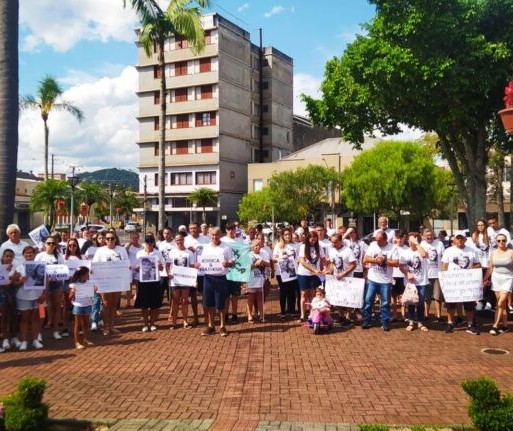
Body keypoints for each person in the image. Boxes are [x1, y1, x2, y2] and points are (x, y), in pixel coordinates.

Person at [441, 232, 481, 335]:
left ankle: (470, 324)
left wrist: (472, 268)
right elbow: (444, 266)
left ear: (465, 239)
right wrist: (444, 280)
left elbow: (478, 264)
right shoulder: (448, 251)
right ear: (454, 239)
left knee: (469, 304)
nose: (459, 240)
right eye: (457, 238)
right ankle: (450, 323)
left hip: (467, 283)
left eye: (461, 238)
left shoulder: (471, 251)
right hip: (453, 282)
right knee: (451, 304)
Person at [199, 226, 234, 337]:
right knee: (209, 303)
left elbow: (233, 261)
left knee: (221, 303)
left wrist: (228, 264)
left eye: (217, 234)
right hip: (208, 278)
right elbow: (202, 262)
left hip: (220, 278)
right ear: (210, 235)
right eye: (213, 235)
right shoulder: (206, 247)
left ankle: (222, 326)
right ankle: (211, 325)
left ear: (220, 235)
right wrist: (198, 265)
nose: (215, 237)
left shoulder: (226, 248)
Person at [92, 232, 129, 336]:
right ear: (105, 240)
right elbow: (95, 266)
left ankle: (112, 326)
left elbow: (126, 263)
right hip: (105, 282)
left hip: (117, 281)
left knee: (113, 305)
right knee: (106, 304)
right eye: (107, 239)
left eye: (112, 238)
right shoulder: (100, 251)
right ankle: (105, 326)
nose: (109, 240)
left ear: (115, 239)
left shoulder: (121, 250)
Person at [362, 231, 399, 331]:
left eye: (380, 240)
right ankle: (366, 320)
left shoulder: (393, 248)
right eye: (376, 240)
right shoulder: (373, 245)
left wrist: (385, 261)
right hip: (372, 278)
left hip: (385, 280)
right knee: (368, 300)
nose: (377, 242)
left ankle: (385, 322)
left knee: (385, 302)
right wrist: (375, 260)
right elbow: (366, 258)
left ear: (385, 239)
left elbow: (396, 263)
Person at [35, 235, 66, 341]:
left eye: (53, 243)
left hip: (56, 285)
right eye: (49, 243)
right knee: (42, 308)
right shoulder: (40, 256)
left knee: (57, 307)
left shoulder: (59, 256)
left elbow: (63, 270)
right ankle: (38, 333)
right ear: (45, 244)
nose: (51, 245)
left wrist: (58, 277)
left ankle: (56, 331)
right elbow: (35, 270)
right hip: (43, 286)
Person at [15, 246, 45, 351]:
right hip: (23, 297)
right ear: (23, 255)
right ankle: (23, 341)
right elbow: (14, 283)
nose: (28, 255)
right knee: (24, 319)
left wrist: (43, 294)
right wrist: (20, 281)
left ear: (34, 254)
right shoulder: (19, 267)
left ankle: (35, 340)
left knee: (36, 318)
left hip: (38, 296)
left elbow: (46, 281)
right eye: (26, 253)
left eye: (31, 253)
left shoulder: (41, 266)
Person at [483, 234, 513, 335]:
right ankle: (505, 326)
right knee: (501, 305)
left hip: (508, 279)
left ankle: (495, 325)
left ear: (506, 241)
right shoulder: (493, 253)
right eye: (499, 241)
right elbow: (490, 268)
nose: (501, 242)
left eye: (503, 240)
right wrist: (485, 279)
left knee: (500, 303)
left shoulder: (511, 252)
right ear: (496, 242)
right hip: (496, 279)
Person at [400, 232, 429, 332]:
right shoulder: (405, 252)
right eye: (410, 240)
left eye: (414, 240)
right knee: (411, 302)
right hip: (410, 282)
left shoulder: (421, 249)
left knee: (420, 302)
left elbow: (424, 255)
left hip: (422, 281)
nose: (411, 242)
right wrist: (407, 273)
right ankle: (411, 321)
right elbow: (401, 266)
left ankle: (420, 322)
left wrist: (416, 243)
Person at [135, 235, 165, 332]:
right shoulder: (139, 253)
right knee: (144, 304)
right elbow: (136, 266)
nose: (149, 244)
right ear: (145, 243)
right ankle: (145, 324)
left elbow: (162, 267)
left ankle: (152, 323)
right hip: (143, 282)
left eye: (151, 242)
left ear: (153, 243)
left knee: (153, 304)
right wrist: (137, 268)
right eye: (147, 242)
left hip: (154, 281)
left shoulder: (158, 254)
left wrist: (160, 266)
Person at [327, 233, 356, 327]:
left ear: (341, 241)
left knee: (348, 299)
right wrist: (329, 271)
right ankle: (341, 316)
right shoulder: (331, 250)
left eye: (335, 242)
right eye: (332, 242)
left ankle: (348, 317)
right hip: (336, 279)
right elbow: (332, 263)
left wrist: (343, 273)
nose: (333, 244)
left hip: (347, 279)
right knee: (336, 299)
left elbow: (353, 265)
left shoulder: (348, 251)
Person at [184, 222, 210, 325]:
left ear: (199, 229)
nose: (193, 230)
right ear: (189, 230)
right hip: (191, 272)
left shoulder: (206, 239)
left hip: (203, 272)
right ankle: (195, 318)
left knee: (205, 295)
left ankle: (206, 317)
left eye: (195, 228)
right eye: (191, 228)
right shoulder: (186, 240)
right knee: (193, 296)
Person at [297, 230, 326, 322]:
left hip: (315, 275)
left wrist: (325, 269)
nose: (312, 240)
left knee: (313, 295)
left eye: (314, 239)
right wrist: (314, 269)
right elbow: (302, 261)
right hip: (303, 273)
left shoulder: (319, 247)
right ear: (308, 238)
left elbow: (323, 259)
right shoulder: (303, 247)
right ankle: (302, 315)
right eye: (311, 238)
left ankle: (311, 313)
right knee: (304, 294)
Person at [168, 234, 195, 329]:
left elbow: (192, 266)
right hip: (175, 280)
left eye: (181, 240)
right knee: (175, 301)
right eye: (177, 240)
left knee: (184, 301)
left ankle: (185, 321)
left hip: (185, 280)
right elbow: (167, 265)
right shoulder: (172, 252)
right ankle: (174, 322)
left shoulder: (189, 253)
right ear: (175, 241)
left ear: (184, 240)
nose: (179, 241)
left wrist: (193, 279)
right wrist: (168, 273)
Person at [420, 229, 446, 323]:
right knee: (426, 297)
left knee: (438, 297)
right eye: (427, 235)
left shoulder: (439, 244)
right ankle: (426, 314)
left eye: (430, 235)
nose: (429, 237)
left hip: (437, 274)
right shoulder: (421, 244)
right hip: (426, 274)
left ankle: (439, 315)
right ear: (423, 236)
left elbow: (444, 258)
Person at [273, 228, 299, 319]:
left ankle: (292, 311)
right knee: (283, 292)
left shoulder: (295, 245)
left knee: (292, 292)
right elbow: (274, 258)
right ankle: (283, 312)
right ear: (282, 236)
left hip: (293, 272)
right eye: (286, 234)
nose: (288, 236)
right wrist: (281, 257)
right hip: (281, 273)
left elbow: (299, 258)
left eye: (289, 234)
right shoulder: (278, 246)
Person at [69, 266, 96, 349]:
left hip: (87, 305)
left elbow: (93, 292)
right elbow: (70, 297)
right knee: (78, 324)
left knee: (86, 323)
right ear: (81, 275)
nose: (88, 276)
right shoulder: (74, 285)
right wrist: (73, 293)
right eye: (87, 274)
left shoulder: (90, 283)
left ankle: (86, 339)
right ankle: (77, 342)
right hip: (78, 305)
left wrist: (94, 290)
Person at [221, 222, 243, 323]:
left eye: (233, 229)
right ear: (226, 230)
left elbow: (243, 256)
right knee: (225, 295)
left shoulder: (240, 241)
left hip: (236, 271)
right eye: (229, 229)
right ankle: (225, 314)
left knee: (235, 295)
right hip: (224, 272)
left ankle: (234, 314)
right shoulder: (222, 241)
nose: (231, 230)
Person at [1, 249, 22, 350]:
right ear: (3, 257)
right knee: (4, 316)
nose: (8, 258)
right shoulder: (0, 268)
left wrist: (13, 281)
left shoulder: (16, 268)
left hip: (13, 293)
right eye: (7, 256)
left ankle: (14, 337)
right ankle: (5, 339)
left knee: (14, 315)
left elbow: (18, 282)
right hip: (2, 293)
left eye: (10, 256)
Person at [247, 239, 269, 323]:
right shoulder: (249, 255)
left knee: (260, 297)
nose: (258, 247)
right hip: (252, 279)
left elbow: (268, 264)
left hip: (261, 278)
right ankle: (249, 315)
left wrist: (262, 261)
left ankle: (261, 315)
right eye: (256, 245)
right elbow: (247, 267)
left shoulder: (264, 253)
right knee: (251, 298)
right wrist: (256, 264)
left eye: (259, 245)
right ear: (252, 247)